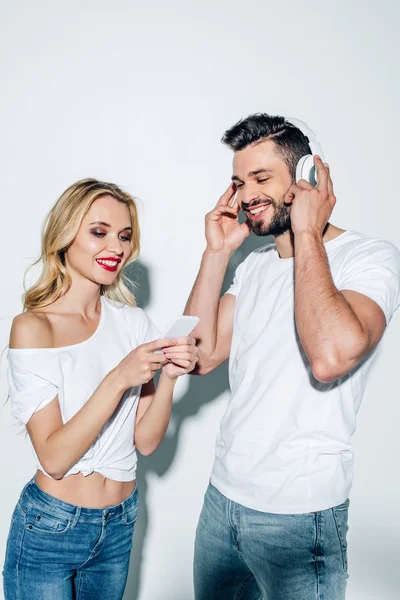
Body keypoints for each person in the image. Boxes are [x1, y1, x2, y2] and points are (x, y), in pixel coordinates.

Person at [185, 114, 400, 600]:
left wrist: (308, 232)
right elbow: (199, 355)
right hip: (222, 505)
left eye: (262, 179)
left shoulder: (369, 258)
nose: (246, 195)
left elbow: (329, 356)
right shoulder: (255, 267)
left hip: (301, 519)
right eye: (239, 183)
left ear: (306, 178)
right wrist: (216, 254)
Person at [2, 178, 198, 600]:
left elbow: (145, 443)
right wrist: (118, 378)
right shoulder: (35, 327)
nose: (116, 247)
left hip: (119, 523)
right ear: (65, 236)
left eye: (124, 236)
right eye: (99, 232)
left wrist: (168, 378)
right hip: (51, 527)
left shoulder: (133, 324)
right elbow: (54, 458)